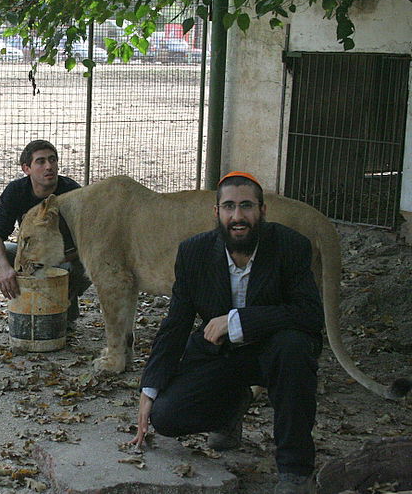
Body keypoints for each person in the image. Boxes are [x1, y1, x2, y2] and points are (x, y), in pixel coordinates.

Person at [128, 172, 323, 494]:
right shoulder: (194, 252)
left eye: (246, 206)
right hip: (221, 353)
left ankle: (295, 470)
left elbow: (309, 314)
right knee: (167, 417)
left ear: (262, 211)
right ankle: (231, 409)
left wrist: (239, 321)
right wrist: (149, 387)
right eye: (229, 206)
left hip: (277, 352)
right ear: (216, 213)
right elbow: (175, 324)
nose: (238, 216)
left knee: (295, 348)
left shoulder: (290, 246)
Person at [0, 139, 91, 324]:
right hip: (31, 255)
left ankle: (64, 307)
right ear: (27, 169)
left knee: (79, 268)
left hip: (67, 258)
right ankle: (27, 304)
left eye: (52, 160)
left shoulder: (71, 192)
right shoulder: (16, 191)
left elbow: (90, 241)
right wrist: (4, 269)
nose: (49, 166)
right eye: (41, 161)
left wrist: (57, 260)